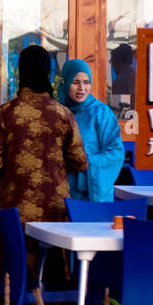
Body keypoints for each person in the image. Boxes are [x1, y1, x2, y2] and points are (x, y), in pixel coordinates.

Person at [0, 45, 89, 225]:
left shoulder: (5, 113)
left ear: (21, 71)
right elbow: (79, 161)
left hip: (14, 208)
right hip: (54, 208)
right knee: (51, 251)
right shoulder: (63, 113)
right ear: (47, 72)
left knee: (16, 251)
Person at [57, 58, 124, 203]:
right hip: (60, 192)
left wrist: (86, 161)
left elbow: (116, 153)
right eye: (75, 82)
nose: (82, 88)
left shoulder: (101, 113)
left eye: (86, 82)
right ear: (65, 82)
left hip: (90, 195)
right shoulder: (55, 112)